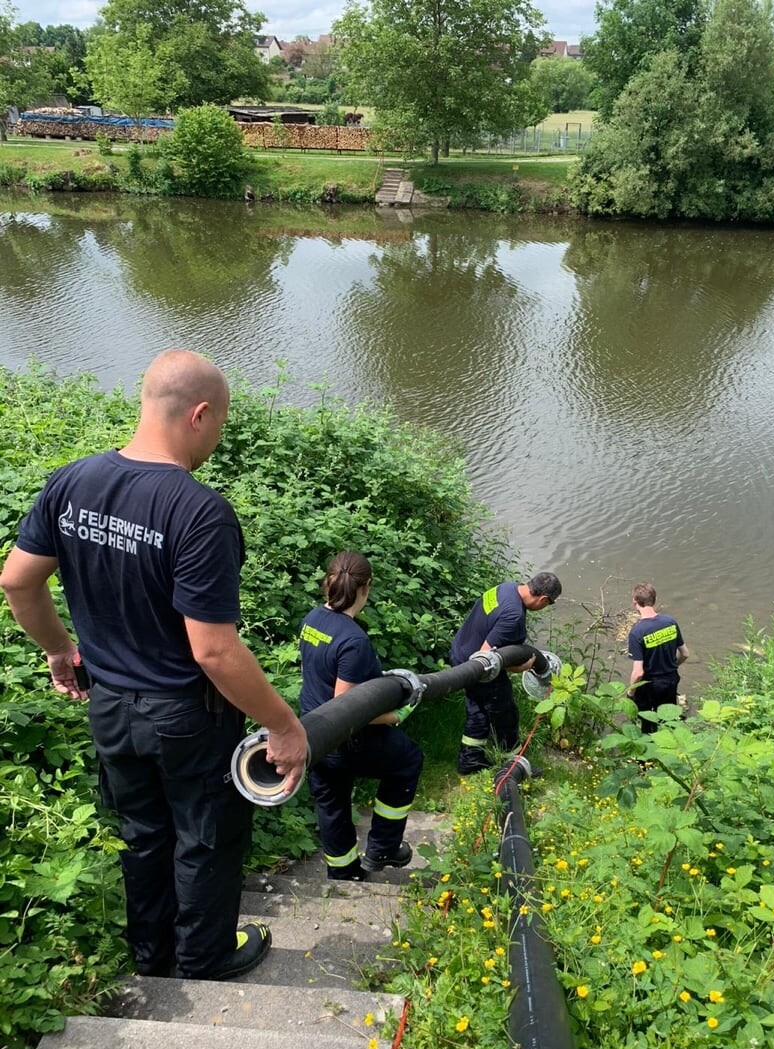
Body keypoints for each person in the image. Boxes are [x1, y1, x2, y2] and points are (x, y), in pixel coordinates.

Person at [0, 349, 308, 981]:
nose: (218, 438)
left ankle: (153, 958)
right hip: (186, 717)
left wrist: (60, 649)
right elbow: (213, 650)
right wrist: (283, 725)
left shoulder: (72, 482)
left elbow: (17, 581)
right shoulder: (199, 512)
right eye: (221, 423)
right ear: (200, 414)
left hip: (111, 707)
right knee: (205, 836)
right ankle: (204, 958)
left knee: (142, 834)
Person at [299, 550, 423, 881]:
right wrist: (397, 715)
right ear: (367, 586)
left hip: (312, 734)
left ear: (328, 582)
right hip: (344, 740)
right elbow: (346, 711)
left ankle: (343, 872)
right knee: (408, 760)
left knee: (332, 803)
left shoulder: (312, 619)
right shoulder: (353, 640)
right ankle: (383, 847)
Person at [450, 573, 562, 775]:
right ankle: (513, 764)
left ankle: (470, 760)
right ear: (543, 599)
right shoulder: (513, 616)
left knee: (478, 708)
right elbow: (485, 657)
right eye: (549, 603)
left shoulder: (506, 588)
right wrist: (519, 667)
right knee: (505, 713)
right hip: (478, 667)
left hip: (461, 652)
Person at [627, 582, 689, 734]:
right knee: (668, 721)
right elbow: (685, 654)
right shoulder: (670, 622)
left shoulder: (637, 632)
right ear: (655, 600)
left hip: (649, 686)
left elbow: (638, 673)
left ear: (635, 602)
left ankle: (648, 746)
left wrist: (630, 693)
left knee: (647, 724)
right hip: (670, 681)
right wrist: (671, 666)